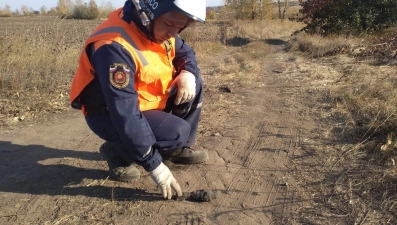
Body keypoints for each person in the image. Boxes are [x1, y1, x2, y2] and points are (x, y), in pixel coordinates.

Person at [69, 0, 208, 200]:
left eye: (180, 26)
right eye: (170, 24)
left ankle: (176, 149)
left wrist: (188, 73)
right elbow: (125, 113)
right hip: (107, 113)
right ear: (147, 13)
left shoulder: (161, 27)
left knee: (194, 83)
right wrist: (155, 166)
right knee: (176, 133)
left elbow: (185, 52)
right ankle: (116, 152)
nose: (173, 33)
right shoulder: (114, 46)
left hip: (143, 102)